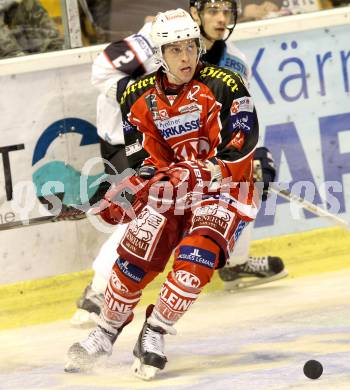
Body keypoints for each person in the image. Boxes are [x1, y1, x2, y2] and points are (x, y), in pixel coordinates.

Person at [65, 8, 260, 379]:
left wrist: (196, 170)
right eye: (175, 50)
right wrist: (124, 194)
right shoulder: (137, 94)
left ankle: (154, 332)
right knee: (136, 251)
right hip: (173, 189)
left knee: (195, 260)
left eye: (190, 47)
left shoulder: (224, 84)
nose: (185, 57)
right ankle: (105, 331)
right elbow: (143, 157)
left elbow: (240, 141)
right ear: (159, 53)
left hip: (221, 189)